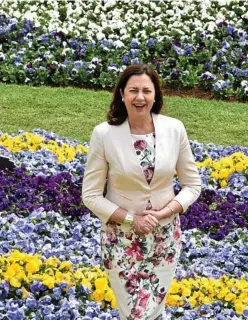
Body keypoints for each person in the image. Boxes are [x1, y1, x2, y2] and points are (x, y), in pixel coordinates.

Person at [82, 64, 201, 320]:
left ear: (155, 95)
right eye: (133, 90)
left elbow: (193, 185)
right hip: (121, 240)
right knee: (136, 313)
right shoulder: (104, 134)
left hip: (165, 239)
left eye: (146, 91)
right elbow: (90, 195)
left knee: (154, 311)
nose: (140, 97)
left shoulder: (174, 129)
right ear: (122, 94)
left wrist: (164, 213)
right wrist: (131, 219)